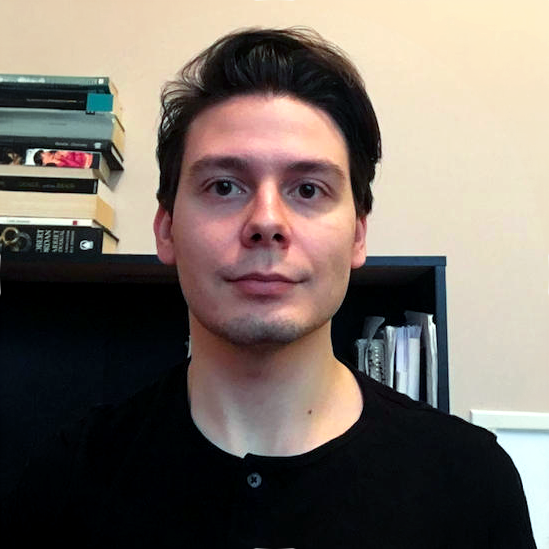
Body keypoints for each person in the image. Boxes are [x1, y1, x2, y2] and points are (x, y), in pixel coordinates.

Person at [2, 27, 537, 549]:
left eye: (308, 189)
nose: (266, 221)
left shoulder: (471, 483)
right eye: (224, 186)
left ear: (358, 233)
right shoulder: (64, 482)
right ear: (165, 228)